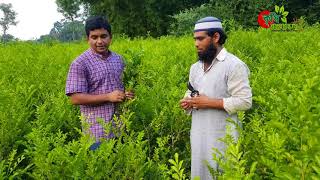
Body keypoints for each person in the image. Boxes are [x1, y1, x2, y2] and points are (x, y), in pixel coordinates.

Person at [180, 16, 252, 179]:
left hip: (223, 138)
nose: (196, 44)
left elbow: (245, 101)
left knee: (223, 173)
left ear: (216, 37)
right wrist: (187, 101)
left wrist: (209, 103)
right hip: (199, 136)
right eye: (194, 39)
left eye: (200, 39)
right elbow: (191, 91)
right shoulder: (195, 68)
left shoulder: (233, 65)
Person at [65, 16, 134, 150]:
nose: (100, 41)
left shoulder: (118, 59)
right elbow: (75, 98)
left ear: (110, 37)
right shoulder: (80, 63)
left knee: (122, 169)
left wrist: (127, 94)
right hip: (96, 133)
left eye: (104, 36)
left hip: (120, 129)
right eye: (94, 37)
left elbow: (120, 90)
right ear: (87, 39)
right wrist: (108, 97)